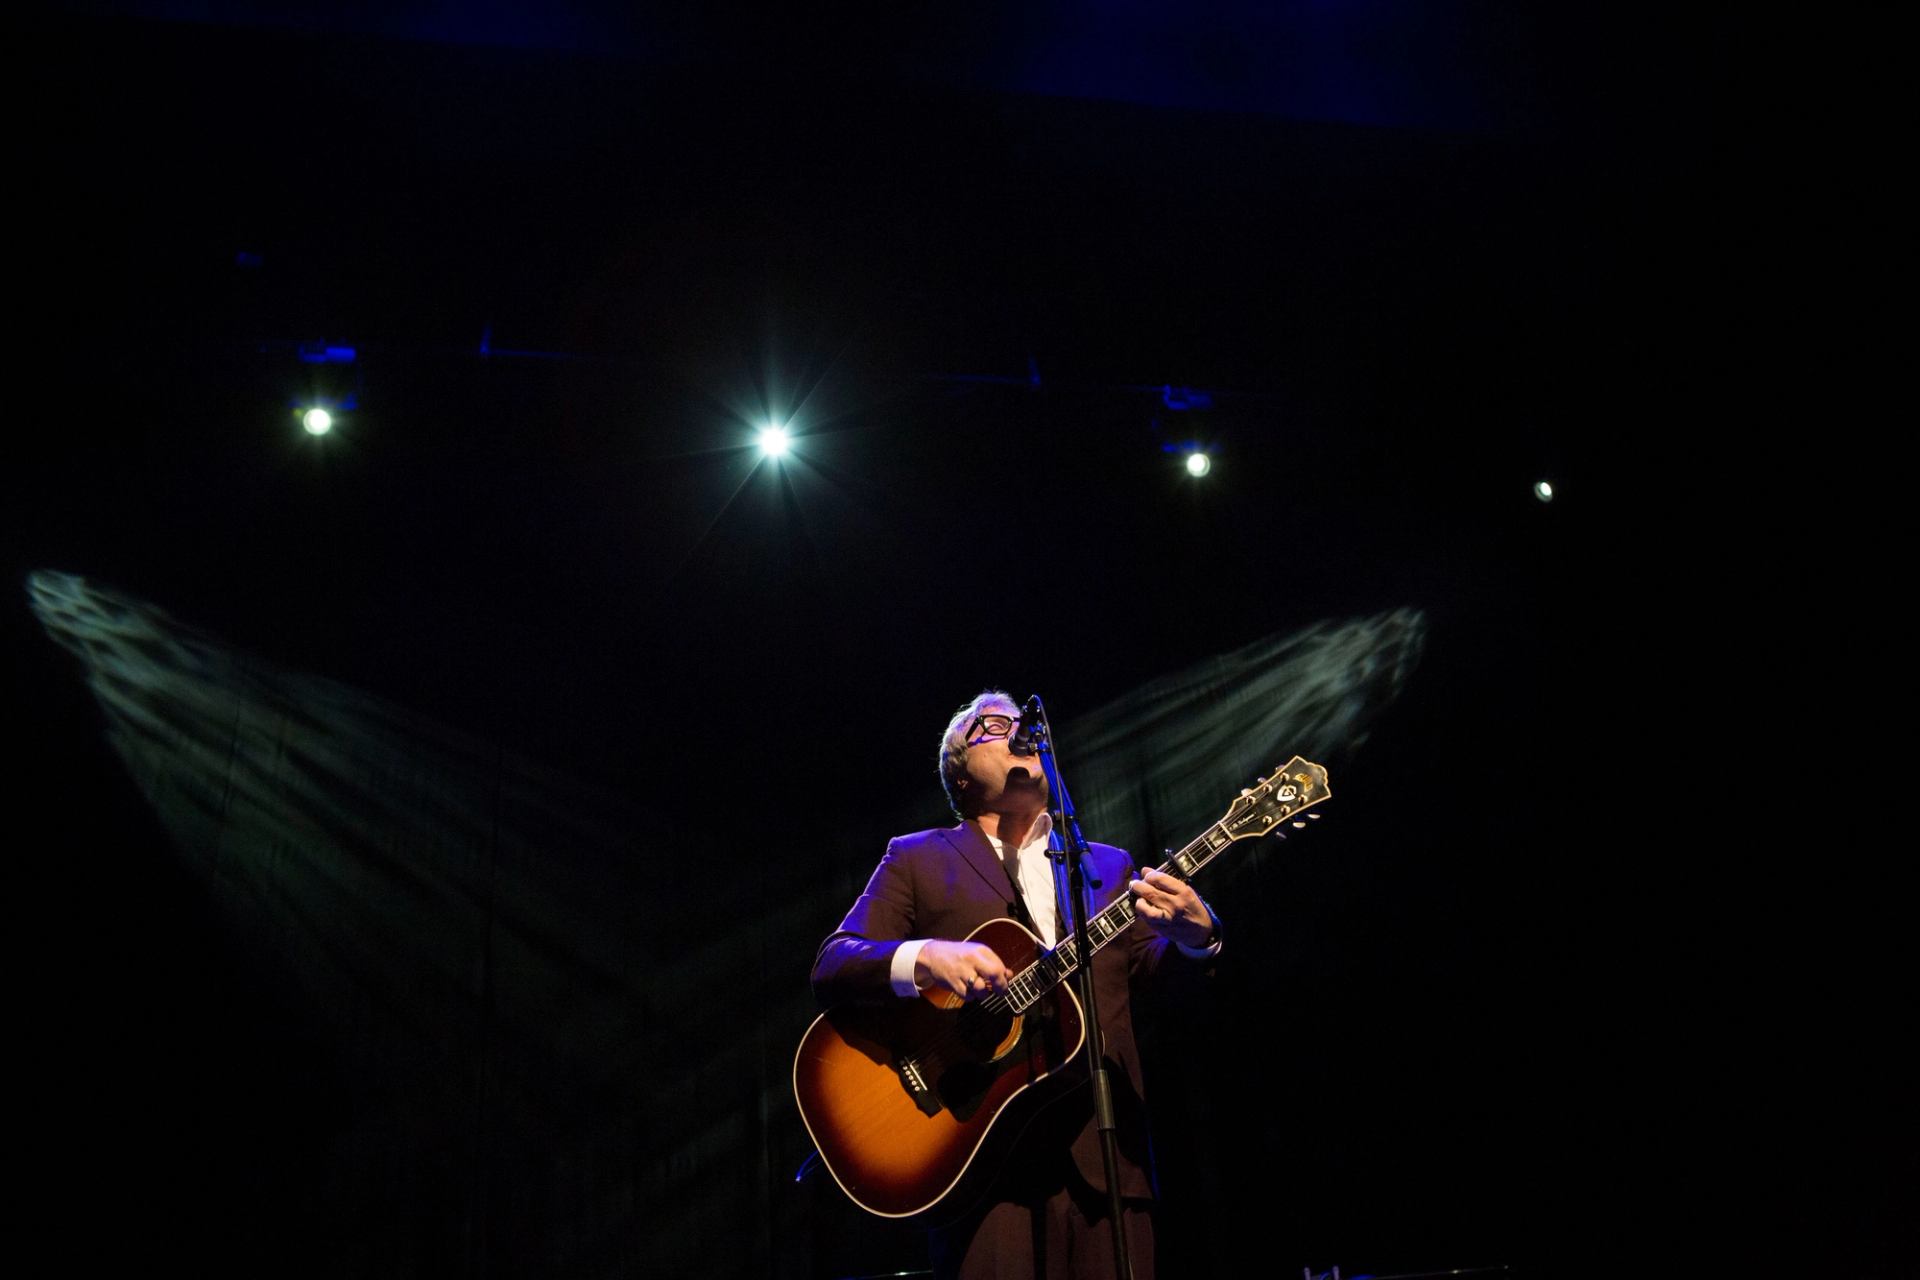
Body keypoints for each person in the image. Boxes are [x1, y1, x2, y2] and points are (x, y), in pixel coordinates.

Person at [810, 689, 1220, 1280]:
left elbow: (1168, 991)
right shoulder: (918, 858)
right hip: (983, 1172)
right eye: (993, 725)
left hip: (1108, 1166)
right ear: (960, 773)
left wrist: (1198, 940)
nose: (1016, 730)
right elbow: (834, 964)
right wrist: (925, 957)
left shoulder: (1108, 869)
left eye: (1021, 722)